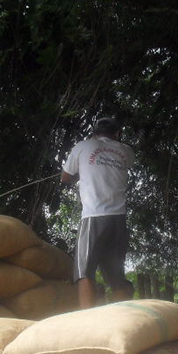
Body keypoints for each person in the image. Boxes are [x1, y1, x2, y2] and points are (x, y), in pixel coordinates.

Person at [61, 117, 135, 308]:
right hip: (118, 219)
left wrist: (80, 173)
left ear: (94, 133)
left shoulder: (83, 146)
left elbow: (65, 177)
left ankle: (87, 320)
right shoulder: (126, 151)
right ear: (117, 134)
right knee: (116, 275)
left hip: (94, 216)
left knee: (84, 272)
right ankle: (126, 318)